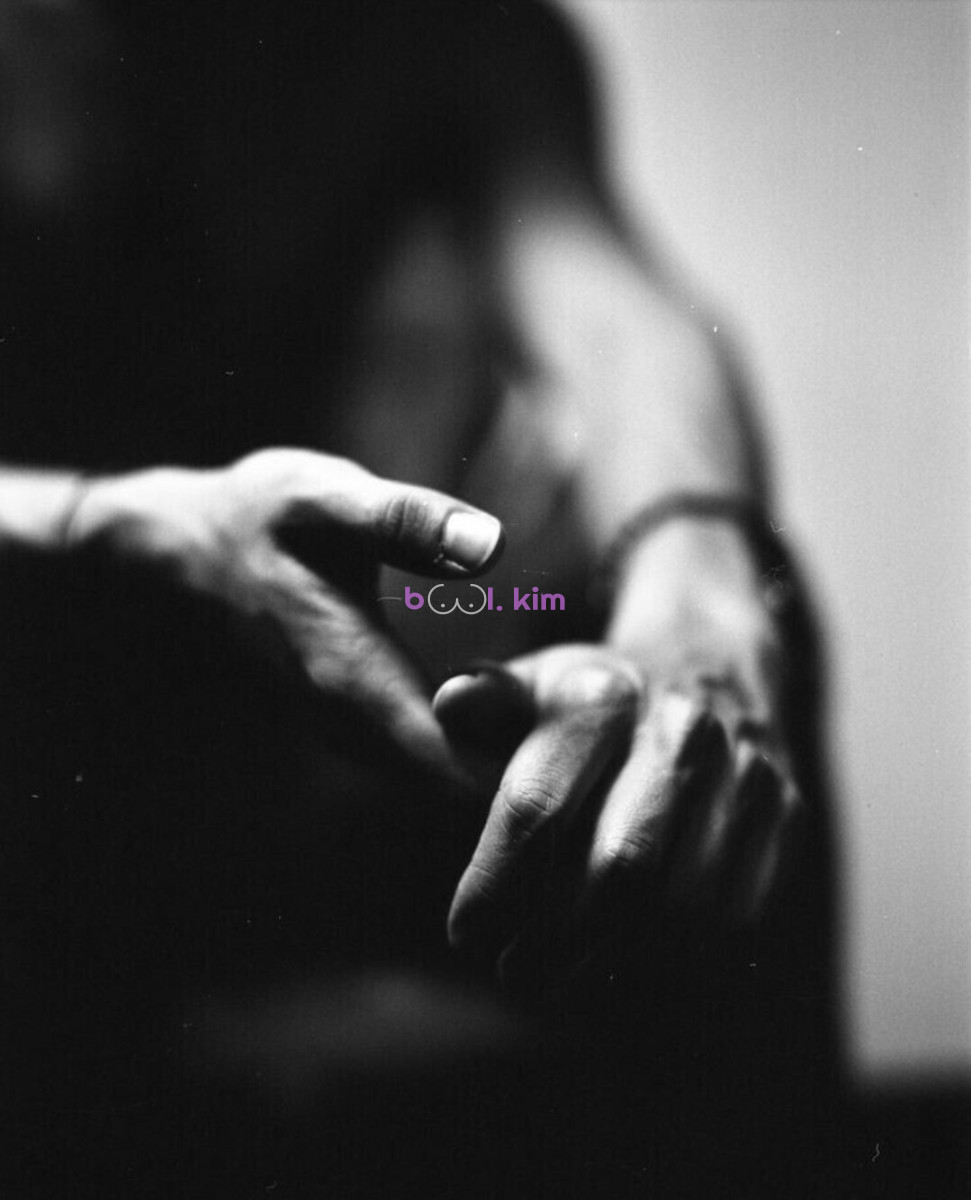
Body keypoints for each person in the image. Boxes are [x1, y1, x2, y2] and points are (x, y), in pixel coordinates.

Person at [0, 0, 839, 1193]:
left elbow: (603, 299)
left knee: (738, 646)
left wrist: (698, 581)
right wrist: (101, 522)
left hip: (318, 700)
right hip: (59, 707)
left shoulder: (432, 31)